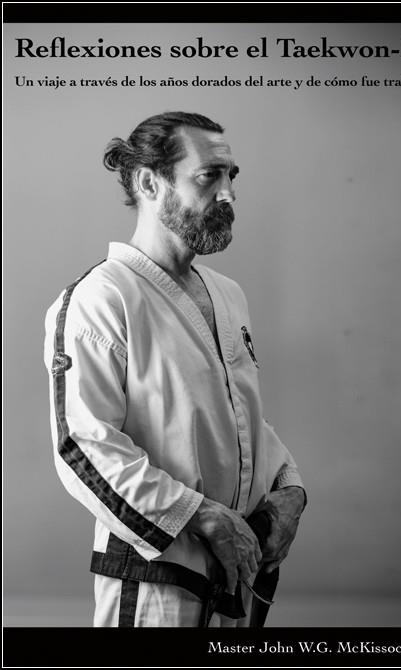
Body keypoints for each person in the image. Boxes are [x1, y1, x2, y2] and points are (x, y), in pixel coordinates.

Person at [44, 111, 306, 628]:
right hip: (156, 584)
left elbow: (238, 420)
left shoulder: (227, 295)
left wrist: (290, 490)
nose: (229, 194)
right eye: (209, 176)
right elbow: (84, 445)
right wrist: (202, 515)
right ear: (149, 183)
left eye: (232, 176)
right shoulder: (102, 298)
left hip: (239, 571)